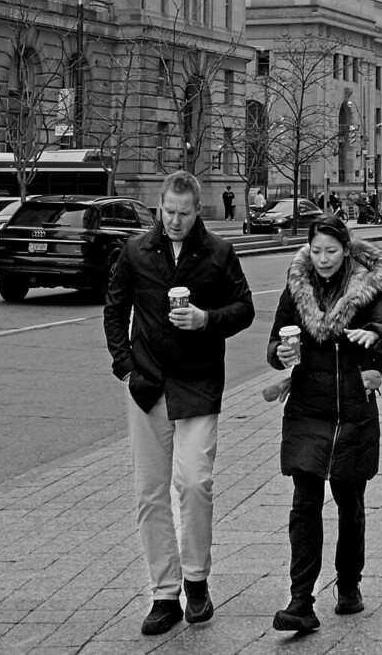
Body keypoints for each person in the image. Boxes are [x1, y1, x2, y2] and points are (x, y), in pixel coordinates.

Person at [104, 171, 254, 636]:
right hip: (147, 384)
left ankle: (197, 581)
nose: (174, 220)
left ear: (197, 210)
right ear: (159, 208)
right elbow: (114, 309)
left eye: (183, 213)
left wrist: (206, 319)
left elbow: (245, 307)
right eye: (168, 212)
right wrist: (125, 367)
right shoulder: (135, 252)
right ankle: (164, 593)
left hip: (198, 383)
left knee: (194, 482)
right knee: (150, 492)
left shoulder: (217, 253)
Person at [266, 214, 382, 633]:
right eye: (316, 250)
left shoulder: (364, 287)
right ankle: (300, 601)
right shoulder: (298, 288)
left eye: (331, 250)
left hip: (352, 413)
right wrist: (282, 355)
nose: (323, 259)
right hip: (308, 407)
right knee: (304, 504)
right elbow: (274, 344)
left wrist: (375, 335)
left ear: (346, 250)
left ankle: (348, 584)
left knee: (350, 501)